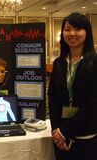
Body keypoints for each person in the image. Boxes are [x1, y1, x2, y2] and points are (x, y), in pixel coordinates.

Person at [48, 12, 97, 160]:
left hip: (86, 136)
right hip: (61, 138)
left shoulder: (95, 63)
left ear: (86, 32)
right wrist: (57, 131)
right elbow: (53, 98)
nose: (72, 33)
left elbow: (93, 103)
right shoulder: (59, 63)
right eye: (67, 29)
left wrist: (65, 131)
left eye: (78, 29)